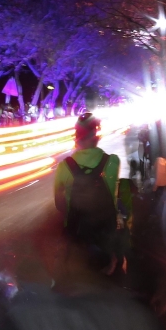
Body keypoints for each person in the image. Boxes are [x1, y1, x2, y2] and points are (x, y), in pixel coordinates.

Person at [53, 113, 123, 274]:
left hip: (77, 235)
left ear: (76, 136)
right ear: (96, 136)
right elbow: (114, 197)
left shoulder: (64, 166)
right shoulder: (113, 161)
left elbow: (59, 204)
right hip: (105, 236)